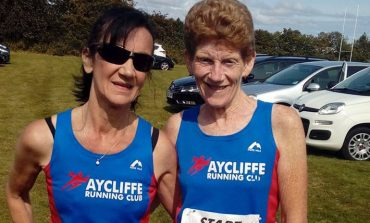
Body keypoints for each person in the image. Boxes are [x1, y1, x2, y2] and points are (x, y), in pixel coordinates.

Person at [6, 6, 177, 222]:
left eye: (141, 62)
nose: (127, 71)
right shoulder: (43, 137)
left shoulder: (158, 149)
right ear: (88, 59)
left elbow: (189, 213)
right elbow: (16, 193)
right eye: (115, 54)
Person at [163, 0, 307, 222]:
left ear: (248, 62)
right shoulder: (177, 126)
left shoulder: (281, 122)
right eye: (205, 60)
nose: (216, 75)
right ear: (189, 61)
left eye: (229, 61)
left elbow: (295, 218)